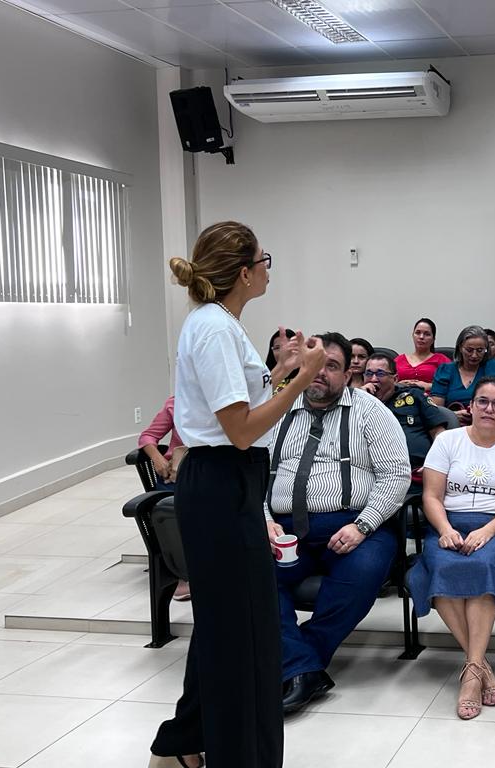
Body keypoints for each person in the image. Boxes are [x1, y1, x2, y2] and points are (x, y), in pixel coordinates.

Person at [149, 221, 327, 768]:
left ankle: (180, 745)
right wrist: (304, 380)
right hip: (221, 480)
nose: (270, 268)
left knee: (228, 627)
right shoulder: (213, 329)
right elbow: (241, 429)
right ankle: (227, 752)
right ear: (245, 273)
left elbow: (238, 407)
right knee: (235, 634)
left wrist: (281, 370)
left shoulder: (220, 323)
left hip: (231, 480)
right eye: (264, 259)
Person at [266, 333, 410, 713]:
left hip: (355, 525)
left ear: (348, 374)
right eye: (315, 364)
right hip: (284, 529)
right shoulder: (277, 410)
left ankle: (295, 663)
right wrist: (264, 520)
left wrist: (363, 525)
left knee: (362, 573)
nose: (321, 373)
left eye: (332, 366)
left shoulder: (370, 411)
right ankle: (303, 668)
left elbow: (396, 475)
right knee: (251, 575)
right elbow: (253, 475)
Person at [407, 377, 495, 720]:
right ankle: (479, 667)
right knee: (441, 565)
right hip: (448, 524)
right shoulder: (447, 441)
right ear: (471, 406)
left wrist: (488, 531)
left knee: (483, 567)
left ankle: (470, 676)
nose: (489, 409)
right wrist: (445, 529)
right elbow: (431, 496)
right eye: (482, 402)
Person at [138, 395, 190, 601]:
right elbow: (147, 437)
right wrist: (158, 459)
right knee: (171, 510)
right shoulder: (176, 402)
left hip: (208, 473)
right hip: (176, 477)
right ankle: (183, 572)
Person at [362, 353, 448, 477]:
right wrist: (360, 397)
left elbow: (439, 433)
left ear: (395, 379)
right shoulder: (359, 402)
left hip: (415, 472)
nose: (373, 379)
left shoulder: (414, 395)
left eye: (380, 374)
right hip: (372, 474)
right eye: (369, 374)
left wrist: (436, 462)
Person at [430, 326, 495, 426]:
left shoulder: (493, 368)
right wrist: (452, 416)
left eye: (480, 350)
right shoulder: (445, 370)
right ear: (460, 348)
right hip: (451, 426)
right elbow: (437, 409)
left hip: (486, 424)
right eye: (469, 350)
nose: (474, 355)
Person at [395, 318, 449, 392]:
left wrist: (429, 386)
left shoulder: (441, 360)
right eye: (418, 333)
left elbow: (453, 385)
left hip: (430, 401)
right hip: (400, 400)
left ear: (433, 339)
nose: (421, 337)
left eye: (427, 334)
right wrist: (398, 385)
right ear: (413, 335)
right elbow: (386, 383)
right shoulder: (399, 360)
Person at [265, 327, 299, 393]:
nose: (283, 351)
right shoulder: (263, 379)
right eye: (277, 347)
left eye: (288, 346)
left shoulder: (306, 379)